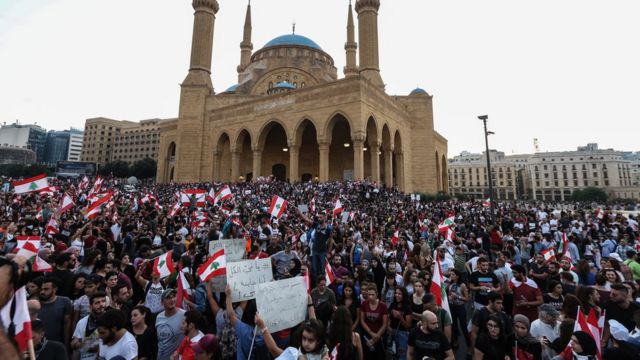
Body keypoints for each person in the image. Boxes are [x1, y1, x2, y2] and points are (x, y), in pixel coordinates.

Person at [71, 291, 108, 360]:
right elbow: (74, 344)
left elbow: (105, 346)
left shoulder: (110, 320)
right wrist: (91, 346)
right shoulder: (82, 322)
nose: (101, 305)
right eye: (97, 303)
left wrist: (82, 345)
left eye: (103, 301)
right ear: (90, 307)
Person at [38, 277, 73, 346]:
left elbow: (67, 325)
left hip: (58, 344)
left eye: (46, 289)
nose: (42, 292)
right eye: (41, 289)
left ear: (55, 289)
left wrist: (66, 345)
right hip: (40, 345)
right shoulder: (36, 305)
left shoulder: (64, 301)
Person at [156, 288, 187, 360]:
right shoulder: (159, 317)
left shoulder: (184, 315)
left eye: (174, 296)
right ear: (162, 302)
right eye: (168, 298)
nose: (172, 300)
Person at [360, 283, 388, 360]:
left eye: (372, 294)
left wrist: (376, 337)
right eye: (369, 295)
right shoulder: (364, 304)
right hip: (367, 335)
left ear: (377, 294)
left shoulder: (383, 306)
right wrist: (371, 333)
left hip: (379, 336)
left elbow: (385, 324)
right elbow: (362, 321)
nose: (370, 297)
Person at [387, 287, 412, 360]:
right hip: (392, 333)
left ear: (404, 295)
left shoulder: (407, 308)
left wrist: (400, 317)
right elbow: (388, 318)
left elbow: (408, 326)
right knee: (391, 354)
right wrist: (388, 327)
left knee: (402, 356)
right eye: (396, 293)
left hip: (403, 335)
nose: (397, 295)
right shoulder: (393, 305)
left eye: (399, 294)